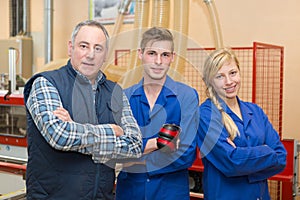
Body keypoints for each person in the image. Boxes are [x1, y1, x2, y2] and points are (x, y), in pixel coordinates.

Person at [23, 20, 142, 200]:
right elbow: (60, 137)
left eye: (98, 48)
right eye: (84, 46)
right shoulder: (46, 83)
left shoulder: (115, 92)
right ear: (71, 48)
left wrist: (76, 129)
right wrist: (111, 130)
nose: (90, 55)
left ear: (105, 55)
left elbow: (134, 146)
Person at [115, 27, 199, 200]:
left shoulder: (186, 97)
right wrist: (158, 144)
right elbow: (117, 150)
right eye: (152, 53)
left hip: (170, 193)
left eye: (165, 55)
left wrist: (137, 159)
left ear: (172, 58)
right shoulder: (124, 97)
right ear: (140, 54)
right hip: (131, 193)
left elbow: (186, 154)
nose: (158, 61)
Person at [197, 48, 287, 200]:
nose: (229, 82)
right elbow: (231, 162)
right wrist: (265, 151)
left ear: (239, 72)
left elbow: (281, 157)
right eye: (220, 76)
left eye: (233, 73)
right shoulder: (206, 115)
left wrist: (242, 159)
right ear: (209, 81)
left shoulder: (255, 111)